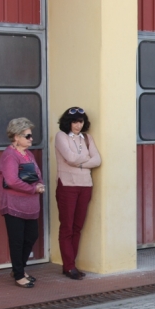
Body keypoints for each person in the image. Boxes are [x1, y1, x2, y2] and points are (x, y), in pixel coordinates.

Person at [0, 118, 45, 288]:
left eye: (31, 136)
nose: (31, 139)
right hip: (14, 205)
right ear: (16, 137)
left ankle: (18, 268)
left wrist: (39, 183)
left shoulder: (28, 154)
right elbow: (11, 180)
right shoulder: (10, 156)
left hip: (30, 204)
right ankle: (19, 275)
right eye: (28, 136)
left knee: (31, 236)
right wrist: (33, 189)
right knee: (17, 240)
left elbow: (37, 173)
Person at [55, 107, 101, 280]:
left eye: (80, 121)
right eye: (74, 121)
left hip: (85, 185)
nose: (78, 125)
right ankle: (68, 266)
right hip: (67, 185)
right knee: (66, 227)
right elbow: (70, 158)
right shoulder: (61, 136)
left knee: (77, 227)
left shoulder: (87, 138)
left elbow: (98, 160)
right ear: (68, 122)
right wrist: (86, 158)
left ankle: (71, 264)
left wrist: (80, 162)